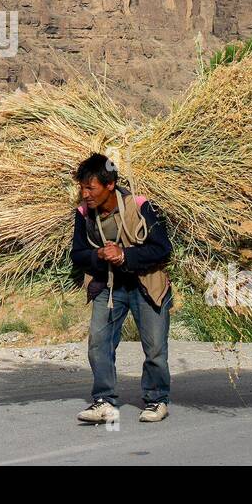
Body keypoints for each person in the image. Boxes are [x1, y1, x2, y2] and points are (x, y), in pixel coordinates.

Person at [69, 152, 173, 424]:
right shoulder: (83, 214)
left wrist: (125, 255)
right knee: (98, 345)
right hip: (108, 287)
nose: (85, 193)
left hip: (146, 285)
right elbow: (77, 254)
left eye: (90, 187)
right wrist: (98, 256)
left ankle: (157, 399)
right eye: (82, 187)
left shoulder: (140, 206)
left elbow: (163, 249)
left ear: (110, 185)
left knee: (155, 349)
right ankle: (103, 401)